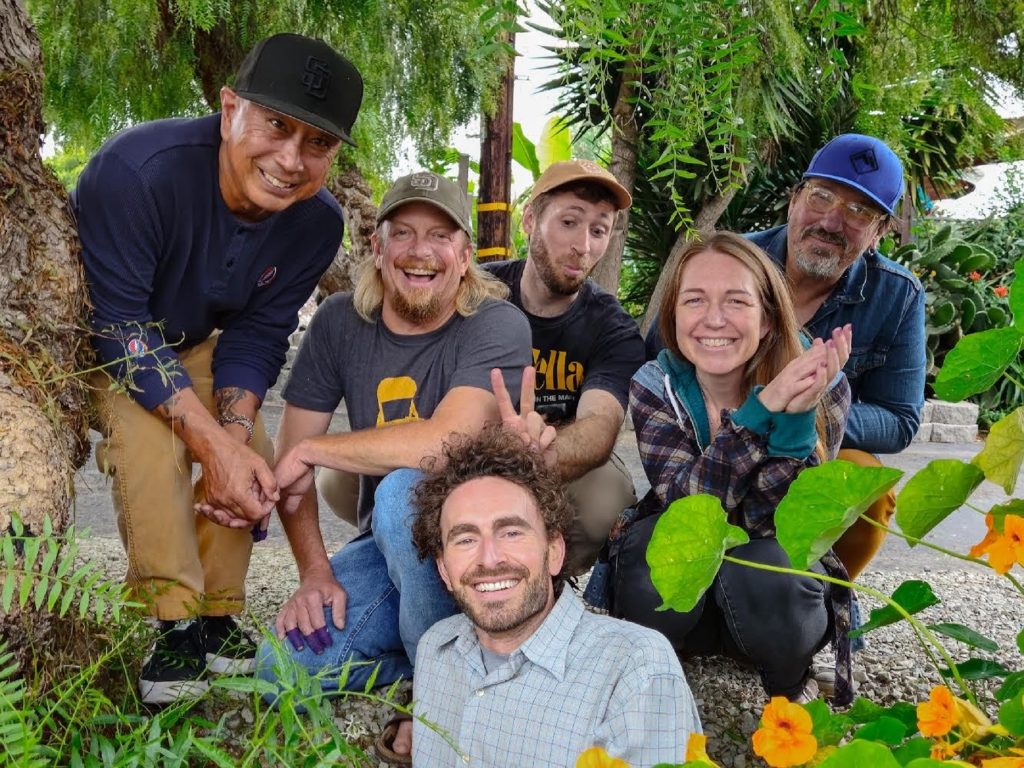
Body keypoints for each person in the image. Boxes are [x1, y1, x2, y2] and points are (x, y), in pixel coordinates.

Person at [75, 33, 364, 704]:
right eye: (276, 125)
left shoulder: (317, 224)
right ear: (231, 106)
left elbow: (258, 334)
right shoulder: (137, 171)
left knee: (253, 447)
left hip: (197, 341)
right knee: (152, 444)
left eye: (317, 143)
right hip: (116, 341)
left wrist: (231, 435)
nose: (291, 159)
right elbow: (119, 328)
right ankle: (172, 621)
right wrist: (204, 440)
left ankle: (216, 616)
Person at [250, 172, 532, 713]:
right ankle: (429, 653)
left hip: (484, 548)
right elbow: (291, 466)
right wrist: (313, 573)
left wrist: (315, 451)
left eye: (439, 236)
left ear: (465, 253)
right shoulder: (338, 322)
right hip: (392, 548)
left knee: (403, 491)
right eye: (402, 233)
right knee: (278, 672)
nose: (420, 251)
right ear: (377, 248)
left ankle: (444, 686)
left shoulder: (498, 323)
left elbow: (444, 444)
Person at [645, 134, 925, 579]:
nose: (832, 221)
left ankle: (824, 590)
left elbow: (899, 418)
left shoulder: (898, 295)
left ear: (879, 233)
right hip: (712, 436)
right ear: (794, 200)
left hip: (816, 451)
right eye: (822, 196)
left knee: (865, 484)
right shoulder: (730, 260)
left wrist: (806, 408)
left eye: (860, 212)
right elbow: (663, 356)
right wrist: (747, 409)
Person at [613, 232, 855, 705]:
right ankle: (660, 670)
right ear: (674, 316)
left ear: (767, 320)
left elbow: (777, 526)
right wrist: (758, 413)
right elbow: (690, 508)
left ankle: (788, 683)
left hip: (768, 598)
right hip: (683, 603)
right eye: (695, 300)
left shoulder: (825, 384)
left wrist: (796, 422)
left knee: (771, 562)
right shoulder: (653, 385)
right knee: (648, 546)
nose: (714, 319)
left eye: (737, 301)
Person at [405, 424, 700, 767]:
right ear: (443, 569)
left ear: (555, 551)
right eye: (465, 539)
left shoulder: (635, 667)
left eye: (511, 532)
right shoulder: (435, 649)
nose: (489, 558)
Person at [481, 159, 645, 576]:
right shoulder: (479, 296)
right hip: (472, 445)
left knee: (606, 499)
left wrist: (529, 457)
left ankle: (541, 584)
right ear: (530, 220)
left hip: (561, 461)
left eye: (598, 230)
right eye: (569, 222)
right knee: (341, 479)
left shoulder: (612, 326)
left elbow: (599, 427)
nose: (583, 246)